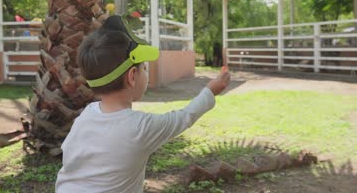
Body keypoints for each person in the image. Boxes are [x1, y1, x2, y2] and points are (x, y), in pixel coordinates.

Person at [55, 15, 231, 193]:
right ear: (132, 76)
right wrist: (211, 90)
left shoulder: (86, 115)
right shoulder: (140, 127)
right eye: (144, 68)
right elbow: (184, 117)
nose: (146, 73)